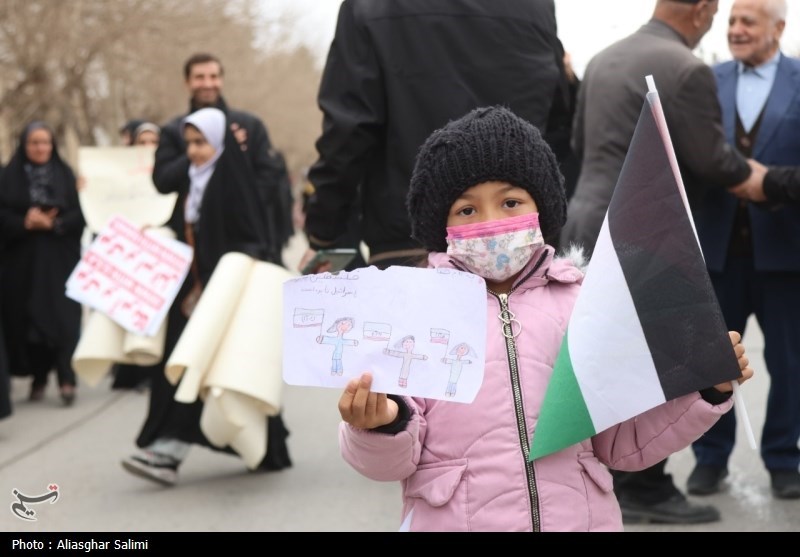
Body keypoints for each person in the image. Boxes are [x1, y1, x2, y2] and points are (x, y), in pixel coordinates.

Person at [336, 106, 753, 532]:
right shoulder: (417, 314)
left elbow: (624, 442)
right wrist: (380, 424)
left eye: (511, 201)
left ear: (543, 209)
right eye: (467, 210)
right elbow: (394, 459)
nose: (492, 222)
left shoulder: (585, 307)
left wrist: (704, 389)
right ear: (440, 225)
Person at [558, 0, 763, 524]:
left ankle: (609, 473)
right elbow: (714, 162)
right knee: (657, 357)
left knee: (605, 350)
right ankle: (644, 485)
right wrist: (772, 180)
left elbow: (581, 145)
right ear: (702, 9)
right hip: (644, 235)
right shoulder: (687, 69)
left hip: (585, 220)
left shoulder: (603, 59)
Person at [300, 0, 569, 273]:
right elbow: (558, 124)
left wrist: (325, 233)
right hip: (517, 244)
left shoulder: (370, 7)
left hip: (408, 245)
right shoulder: (536, 7)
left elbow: (348, 131)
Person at [121, 108, 291, 486]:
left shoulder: (234, 180)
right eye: (190, 143)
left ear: (218, 143)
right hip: (191, 293)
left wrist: (227, 277)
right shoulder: (192, 179)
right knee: (184, 368)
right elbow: (186, 225)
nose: (194, 152)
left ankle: (168, 451)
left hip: (222, 297)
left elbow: (253, 238)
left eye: (201, 143)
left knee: (206, 371)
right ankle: (266, 448)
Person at [689, 0, 800, 500]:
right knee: (711, 362)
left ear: (778, 28)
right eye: (731, 20)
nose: (735, 29)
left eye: (747, 21)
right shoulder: (707, 81)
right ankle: (710, 460)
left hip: (787, 256)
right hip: (717, 255)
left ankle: (782, 460)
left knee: (791, 365)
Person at [153, 52, 288, 266]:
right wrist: (198, 153)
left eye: (213, 76)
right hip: (192, 245)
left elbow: (268, 177)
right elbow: (162, 181)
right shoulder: (174, 131)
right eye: (200, 77)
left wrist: (237, 208)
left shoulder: (248, 126)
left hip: (244, 242)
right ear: (187, 82)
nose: (208, 84)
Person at [0, 122, 85, 406]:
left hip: (61, 259)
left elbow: (80, 214)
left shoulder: (65, 175)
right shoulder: (8, 177)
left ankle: (66, 377)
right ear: (24, 146)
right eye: (34, 143)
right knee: (29, 320)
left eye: (45, 142)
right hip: (23, 263)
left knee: (64, 319)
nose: (40, 148)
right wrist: (25, 222)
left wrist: (54, 223)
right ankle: (38, 375)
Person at [110, 120, 163, 392]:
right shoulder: (124, 174)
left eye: (153, 142)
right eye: (143, 142)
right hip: (131, 249)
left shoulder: (169, 171)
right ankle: (131, 369)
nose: (148, 148)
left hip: (160, 252)